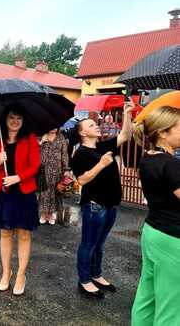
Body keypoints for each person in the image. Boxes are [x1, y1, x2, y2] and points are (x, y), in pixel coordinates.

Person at [71, 100, 134, 299]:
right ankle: (84, 279)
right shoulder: (80, 154)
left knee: (100, 244)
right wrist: (101, 164)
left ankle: (96, 274)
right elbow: (82, 180)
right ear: (82, 133)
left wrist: (127, 114)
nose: (96, 125)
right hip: (94, 206)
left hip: (111, 204)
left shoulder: (103, 145)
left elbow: (125, 135)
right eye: (91, 125)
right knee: (88, 244)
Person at [131, 106, 180, 326]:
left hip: (152, 232)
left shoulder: (148, 158)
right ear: (163, 132)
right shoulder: (170, 164)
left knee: (147, 296)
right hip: (172, 239)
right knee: (171, 307)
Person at [0, 105, 40, 296]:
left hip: (24, 192)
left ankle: (21, 275)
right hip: (3, 193)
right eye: (11, 117)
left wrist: (18, 177)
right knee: (6, 234)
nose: (15, 121)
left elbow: (35, 165)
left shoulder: (30, 137)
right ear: (5, 119)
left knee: (24, 234)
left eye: (19, 118)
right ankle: (6, 272)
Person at [37, 129, 70, 225]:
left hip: (57, 171)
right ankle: (43, 214)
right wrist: (41, 143)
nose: (53, 128)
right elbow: (34, 152)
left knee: (55, 193)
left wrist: (66, 169)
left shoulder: (61, 137)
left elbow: (64, 155)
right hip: (43, 170)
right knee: (44, 193)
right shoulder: (41, 137)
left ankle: (51, 214)